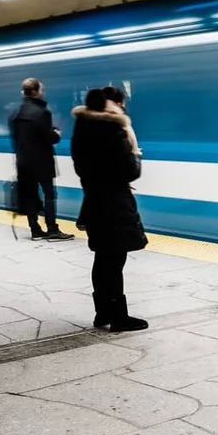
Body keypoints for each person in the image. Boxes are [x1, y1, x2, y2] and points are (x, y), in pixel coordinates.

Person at [71, 86, 148, 332]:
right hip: (113, 204)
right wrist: (134, 150)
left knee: (103, 259)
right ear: (112, 104)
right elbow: (130, 171)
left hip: (94, 202)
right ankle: (118, 317)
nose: (123, 108)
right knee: (114, 260)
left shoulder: (82, 127)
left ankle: (103, 312)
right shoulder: (112, 129)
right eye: (121, 103)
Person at [8, 77, 73, 241]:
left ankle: (35, 229)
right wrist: (56, 134)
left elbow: (16, 138)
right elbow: (48, 137)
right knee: (49, 194)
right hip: (41, 160)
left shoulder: (15, 113)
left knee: (29, 194)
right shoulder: (42, 112)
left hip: (23, 160)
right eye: (41, 90)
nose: (43, 92)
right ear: (36, 92)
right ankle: (52, 229)